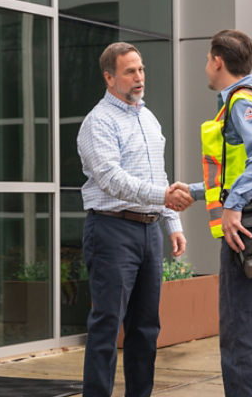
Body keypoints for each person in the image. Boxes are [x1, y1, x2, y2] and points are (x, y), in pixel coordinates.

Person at [171, 29, 252, 397]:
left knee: (243, 338)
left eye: (208, 60)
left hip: (249, 232)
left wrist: (234, 206)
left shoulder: (240, 102)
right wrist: (195, 192)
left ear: (218, 61)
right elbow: (244, 170)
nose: (206, 67)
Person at [76, 42, 192, 397]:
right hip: (111, 231)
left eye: (140, 69)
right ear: (110, 78)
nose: (139, 77)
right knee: (107, 326)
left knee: (145, 329)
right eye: (130, 71)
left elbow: (157, 173)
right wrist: (163, 198)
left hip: (147, 232)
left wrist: (171, 223)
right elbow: (112, 179)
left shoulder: (147, 116)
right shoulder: (98, 122)